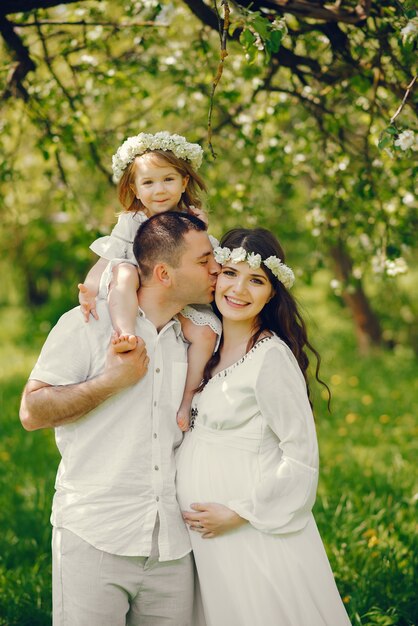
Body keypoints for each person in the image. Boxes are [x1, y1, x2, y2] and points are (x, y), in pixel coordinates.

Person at [19, 212, 220, 626]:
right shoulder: (88, 326)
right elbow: (31, 411)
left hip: (173, 546)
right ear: (164, 273)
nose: (215, 268)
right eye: (204, 260)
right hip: (95, 534)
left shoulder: (199, 336)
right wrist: (111, 381)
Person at [176, 228, 352, 626]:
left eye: (255, 280)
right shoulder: (206, 343)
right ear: (215, 276)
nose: (239, 289)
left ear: (272, 292)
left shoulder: (269, 357)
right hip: (205, 541)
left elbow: (301, 455)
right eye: (230, 274)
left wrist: (240, 513)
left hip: (250, 531)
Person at [78, 131, 221, 430]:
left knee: (207, 334)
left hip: (176, 296)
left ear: (184, 182)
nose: (159, 190)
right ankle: (126, 333)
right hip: (134, 289)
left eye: (168, 179)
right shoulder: (132, 221)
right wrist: (90, 288)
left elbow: (206, 260)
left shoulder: (192, 219)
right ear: (135, 188)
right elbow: (109, 256)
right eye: (148, 182)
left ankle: (187, 400)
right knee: (124, 271)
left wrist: (201, 229)